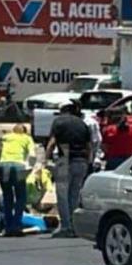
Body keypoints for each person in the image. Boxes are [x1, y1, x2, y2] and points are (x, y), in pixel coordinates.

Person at [45, 100, 91, 238]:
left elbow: (52, 143)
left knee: (62, 196)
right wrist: (88, 163)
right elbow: (89, 146)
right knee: (75, 195)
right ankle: (75, 226)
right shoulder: (83, 124)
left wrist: (46, 160)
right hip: (81, 161)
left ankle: (66, 227)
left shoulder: (58, 122)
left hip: (65, 160)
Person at [0, 124, 35, 237]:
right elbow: (32, 155)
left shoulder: (6, 137)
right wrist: (30, 169)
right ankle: (16, 225)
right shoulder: (27, 138)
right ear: (24, 131)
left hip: (3, 165)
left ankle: (8, 226)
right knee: (21, 196)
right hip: (19, 166)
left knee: (7, 195)